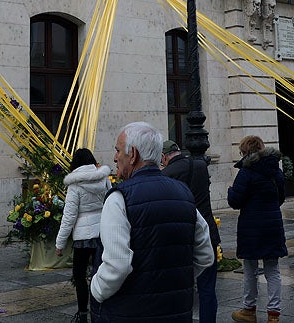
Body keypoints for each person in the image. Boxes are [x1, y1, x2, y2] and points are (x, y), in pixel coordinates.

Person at [90, 122, 215, 322]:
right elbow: (206, 255)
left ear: (133, 155)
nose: (114, 157)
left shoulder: (119, 198)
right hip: (175, 311)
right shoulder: (184, 193)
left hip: (128, 312)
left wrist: (96, 290)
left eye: (117, 151)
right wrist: (177, 280)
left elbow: (117, 265)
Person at [228, 136, 287, 323]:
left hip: (251, 226)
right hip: (272, 223)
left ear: (246, 152)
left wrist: (231, 191)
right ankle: (273, 314)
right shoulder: (275, 171)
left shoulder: (246, 172)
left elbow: (235, 201)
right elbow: (281, 197)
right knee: (273, 270)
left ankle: (249, 310)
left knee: (250, 269)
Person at [161, 140, 220, 323]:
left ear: (164, 156)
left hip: (183, 236)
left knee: (180, 288)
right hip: (207, 231)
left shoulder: (166, 174)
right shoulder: (201, 165)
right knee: (208, 287)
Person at [55, 148, 111, 323]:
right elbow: (111, 201)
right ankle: (100, 309)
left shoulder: (75, 185)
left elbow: (69, 216)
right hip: (102, 231)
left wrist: (60, 243)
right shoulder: (104, 178)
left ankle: (83, 313)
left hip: (82, 236)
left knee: (79, 276)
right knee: (100, 273)